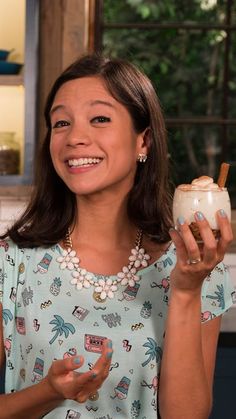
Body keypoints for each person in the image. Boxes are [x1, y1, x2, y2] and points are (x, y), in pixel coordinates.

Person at [0, 53, 234, 419]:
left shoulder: (196, 265)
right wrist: (47, 393)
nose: (75, 137)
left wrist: (187, 291)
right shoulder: (10, 259)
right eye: (61, 122)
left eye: (100, 119)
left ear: (144, 141)